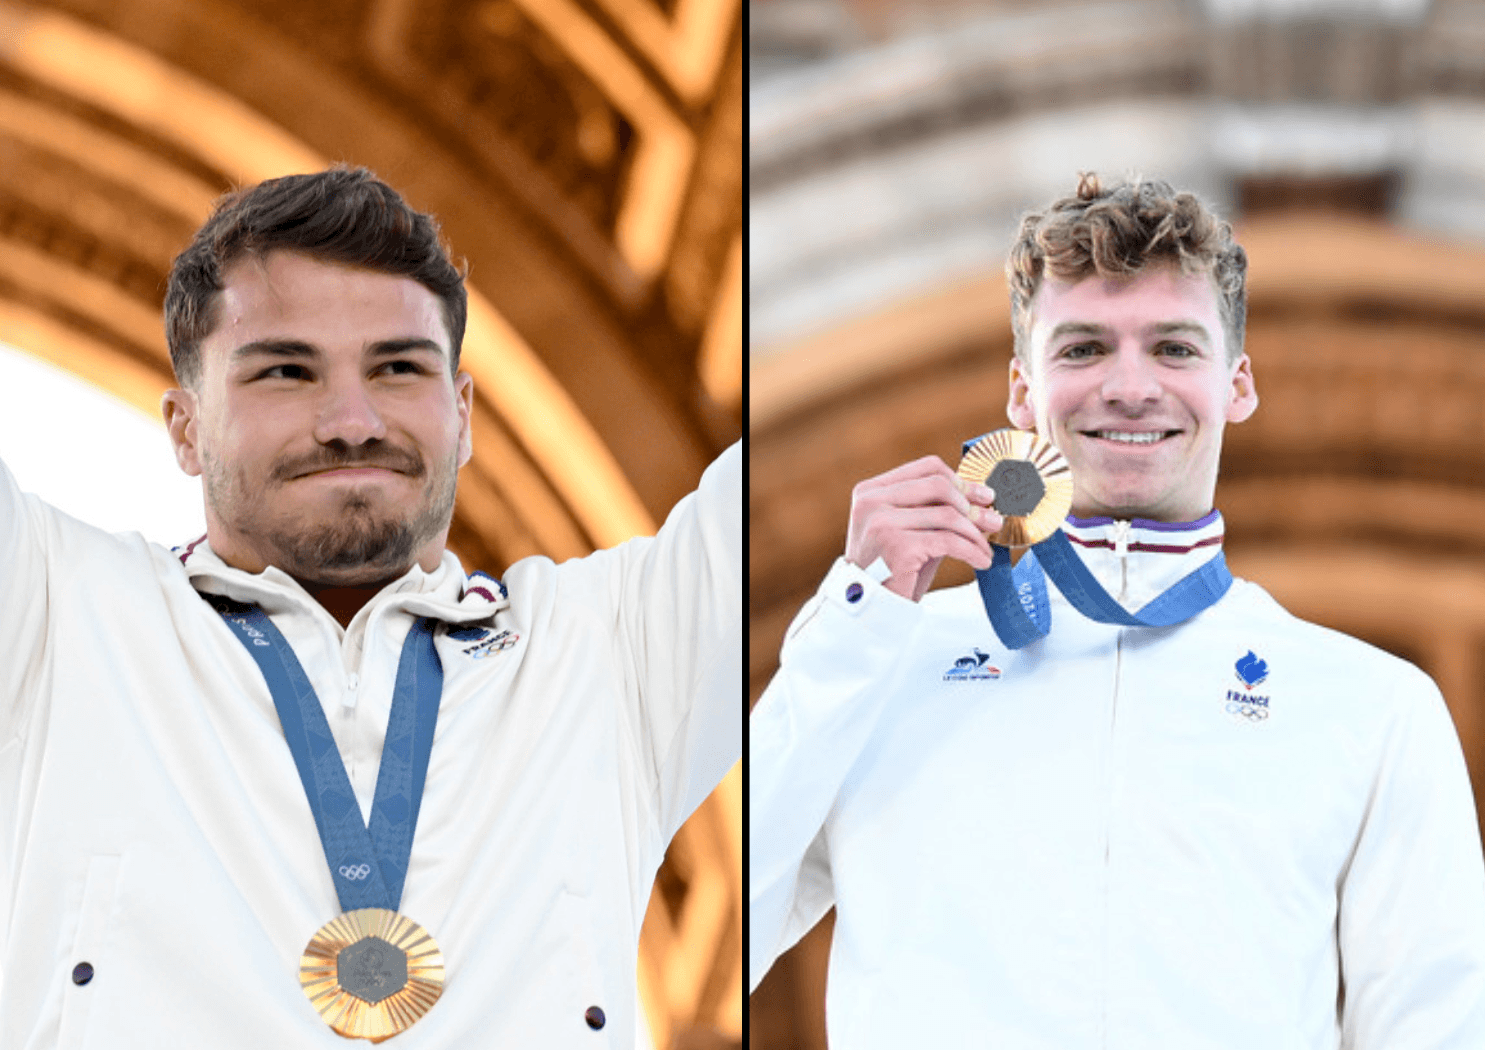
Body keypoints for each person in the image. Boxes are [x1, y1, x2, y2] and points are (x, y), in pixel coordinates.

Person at [0, 166, 740, 1047]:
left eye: (397, 368)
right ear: (186, 428)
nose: (351, 420)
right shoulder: (50, 611)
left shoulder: (613, 645)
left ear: (461, 416)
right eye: (285, 371)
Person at [749, 174, 1485, 1047]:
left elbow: (1434, 1026)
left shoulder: (1374, 706)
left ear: (1236, 383)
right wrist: (854, 619)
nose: (1129, 386)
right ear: (1021, 392)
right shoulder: (881, 655)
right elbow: (732, 912)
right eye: (1083, 348)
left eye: (1173, 349)